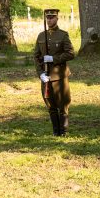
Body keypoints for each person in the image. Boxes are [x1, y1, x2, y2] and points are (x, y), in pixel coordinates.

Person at [33, 8, 76, 136]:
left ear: (57, 18)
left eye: (52, 17)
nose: (49, 20)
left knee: (62, 106)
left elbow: (70, 54)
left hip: (59, 76)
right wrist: (40, 73)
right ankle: (55, 132)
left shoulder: (63, 35)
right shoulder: (41, 36)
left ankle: (64, 131)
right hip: (46, 77)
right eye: (47, 18)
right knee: (50, 106)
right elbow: (36, 56)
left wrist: (54, 59)